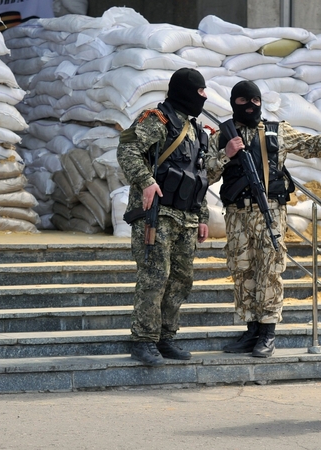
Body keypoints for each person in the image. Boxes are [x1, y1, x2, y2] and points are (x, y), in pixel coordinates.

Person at [205, 80, 321, 358]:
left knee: (270, 270)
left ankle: (267, 332)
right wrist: (226, 154)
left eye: (255, 101)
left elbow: (310, 145)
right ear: (233, 102)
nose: (250, 106)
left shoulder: (277, 132)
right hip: (237, 214)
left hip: (270, 212)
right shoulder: (221, 136)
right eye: (243, 102)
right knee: (242, 270)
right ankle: (251, 329)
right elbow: (206, 174)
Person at [117, 68, 211, 366]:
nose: (205, 97)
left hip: (186, 217)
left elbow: (198, 175)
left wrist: (203, 215)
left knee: (181, 280)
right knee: (155, 277)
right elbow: (127, 148)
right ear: (185, 91)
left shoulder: (196, 130)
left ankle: (165, 337)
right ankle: (143, 340)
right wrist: (146, 181)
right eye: (200, 91)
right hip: (157, 216)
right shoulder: (156, 120)